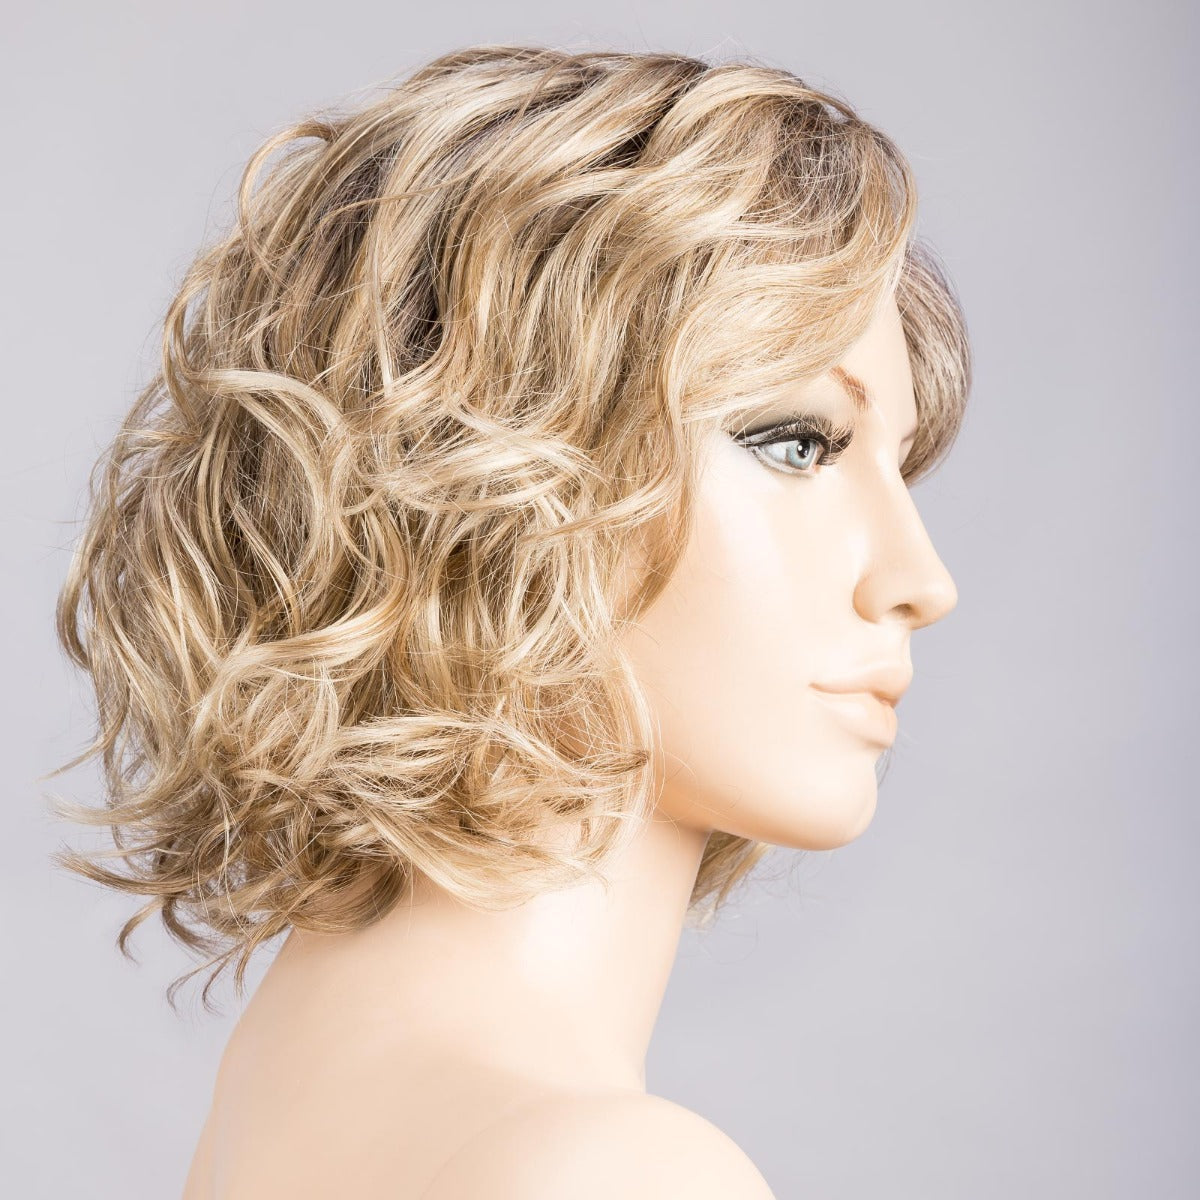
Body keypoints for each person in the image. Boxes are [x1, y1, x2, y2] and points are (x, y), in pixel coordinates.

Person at [52, 43, 969, 1198]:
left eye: (899, 466)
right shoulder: (611, 1172)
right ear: (494, 469)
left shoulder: (288, 1099)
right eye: (796, 443)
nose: (920, 579)